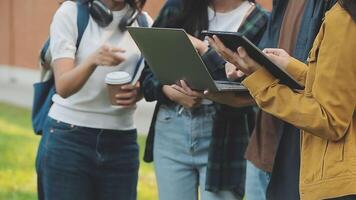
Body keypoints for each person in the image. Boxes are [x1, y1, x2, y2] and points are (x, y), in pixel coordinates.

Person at [208, 0, 356, 199]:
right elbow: (340, 86)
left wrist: (260, 81)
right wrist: (290, 67)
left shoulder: (343, 17)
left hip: (336, 182)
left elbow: (329, 119)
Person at [140, 0, 268, 199]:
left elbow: (250, 91)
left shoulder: (261, 21)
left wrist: (203, 48)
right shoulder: (178, 7)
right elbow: (147, 74)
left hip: (226, 136)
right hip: (172, 127)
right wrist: (167, 90)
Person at [35, 0, 152, 199]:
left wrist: (137, 93)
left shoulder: (144, 22)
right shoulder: (70, 14)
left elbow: (149, 78)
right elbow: (63, 86)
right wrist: (92, 60)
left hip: (122, 141)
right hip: (69, 139)